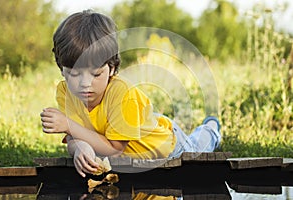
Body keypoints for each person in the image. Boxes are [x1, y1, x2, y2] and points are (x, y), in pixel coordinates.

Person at [40, 10, 221, 177]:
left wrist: (68, 125)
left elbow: (114, 149)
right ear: (61, 69)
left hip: (168, 147)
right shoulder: (65, 92)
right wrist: (79, 148)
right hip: (132, 129)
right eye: (73, 73)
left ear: (112, 68)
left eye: (95, 74)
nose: (84, 84)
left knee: (199, 148)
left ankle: (211, 128)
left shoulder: (121, 93)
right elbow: (75, 136)